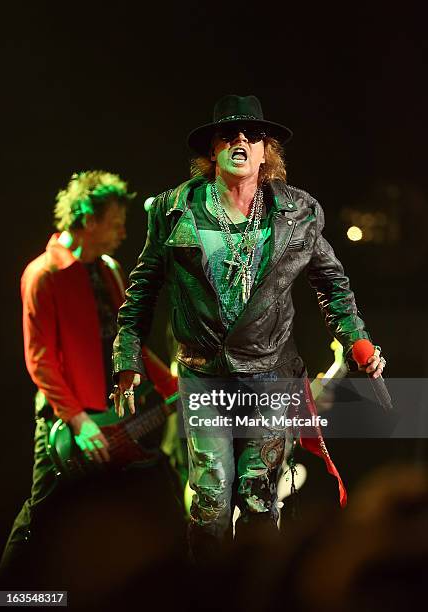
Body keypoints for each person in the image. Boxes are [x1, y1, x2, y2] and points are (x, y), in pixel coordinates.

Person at [112, 95, 386, 561]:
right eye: (228, 134)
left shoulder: (299, 212)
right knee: (212, 501)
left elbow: (332, 282)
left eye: (253, 135)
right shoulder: (174, 209)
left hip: (270, 374)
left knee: (259, 499)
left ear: (266, 152)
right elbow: (142, 289)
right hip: (204, 375)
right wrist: (127, 356)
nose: (241, 140)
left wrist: (355, 339)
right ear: (212, 150)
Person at [0, 170, 180, 578]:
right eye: (115, 222)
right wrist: (77, 420)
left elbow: (126, 341)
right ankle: (12, 596)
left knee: (144, 504)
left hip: (115, 416)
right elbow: (40, 359)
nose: (121, 232)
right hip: (67, 422)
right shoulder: (43, 274)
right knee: (40, 516)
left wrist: (171, 385)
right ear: (87, 219)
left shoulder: (109, 269)